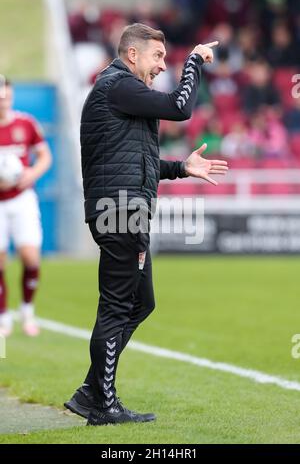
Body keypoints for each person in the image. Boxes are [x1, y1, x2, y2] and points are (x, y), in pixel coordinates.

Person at [65, 23, 228, 426]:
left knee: (141, 302)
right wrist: (192, 61)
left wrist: (182, 168)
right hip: (119, 210)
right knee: (118, 305)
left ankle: (92, 391)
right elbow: (180, 107)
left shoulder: (123, 95)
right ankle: (102, 402)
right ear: (132, 54)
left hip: (122, 207)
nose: (161, 66)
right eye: (158, 57)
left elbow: (136, 163)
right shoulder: (117, 86)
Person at [0, 78, 52, 337]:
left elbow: (45, 156)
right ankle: (3, 317)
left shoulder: (25, 123)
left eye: (6, 97)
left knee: (30, 257)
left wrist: (32, 173)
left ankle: (27, 311)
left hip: (22, 198)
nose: (3, 102)